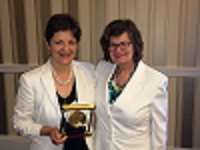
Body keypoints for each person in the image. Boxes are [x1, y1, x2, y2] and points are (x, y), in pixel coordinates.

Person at [13, 13, 95, 150]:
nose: (66, 49)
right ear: (48, 45)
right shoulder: (30, 80)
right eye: (59, 43)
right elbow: (19, 123)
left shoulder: (89, 71)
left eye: (71, 42)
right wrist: (47, 131)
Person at [94, 19, 168, 150]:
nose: (118, 50)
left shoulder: (155, 81)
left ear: (135, 45)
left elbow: (159, 134)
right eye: (113, 45)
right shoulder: (102, 70)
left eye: (124, 44)